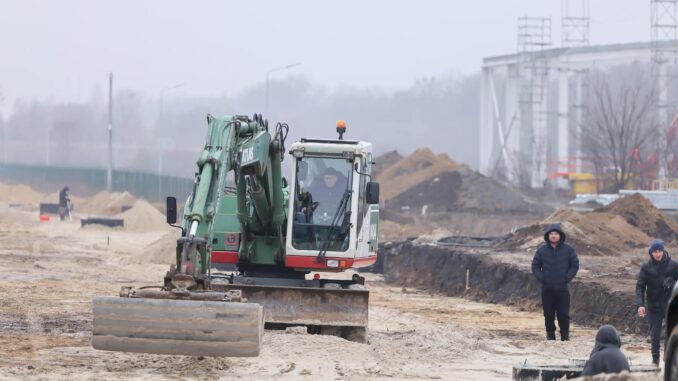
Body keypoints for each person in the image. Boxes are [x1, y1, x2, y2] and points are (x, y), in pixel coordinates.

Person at [531, 223, 580, 341]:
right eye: (551, 234)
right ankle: (550, 335)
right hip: (547, 289)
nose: (553, 236)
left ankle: (565, 335)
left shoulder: (568, 250)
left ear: (560, 235)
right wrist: (543, 278)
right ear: (548, 236)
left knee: (563, 314)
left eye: (556, 234)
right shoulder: (542, 250)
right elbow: (535, 266)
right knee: (548, 314)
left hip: (562, 288)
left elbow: (575, 265)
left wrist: (566, 278)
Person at [635, 239, 678, 365]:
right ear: (651, 252)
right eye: (655, 251)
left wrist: (673, 282)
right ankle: (655, 361)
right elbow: (640, 286)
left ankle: (668, 360)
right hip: (653, 305)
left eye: (660, 251)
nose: (658, 254)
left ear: (663, 250)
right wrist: (640, 305)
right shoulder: (646, 267)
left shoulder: (674, 265)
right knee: (655, 335)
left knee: (670, 333)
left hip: (670, 305)